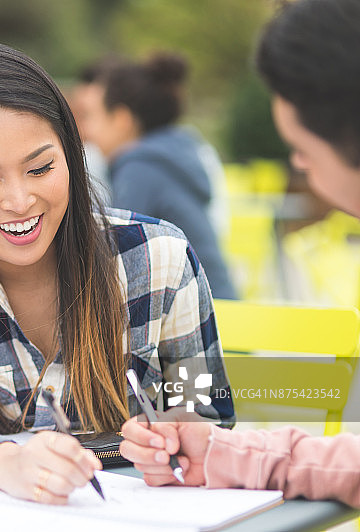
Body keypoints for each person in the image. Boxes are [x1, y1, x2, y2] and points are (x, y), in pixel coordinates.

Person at [0, 41, 234, 505]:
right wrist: (2, 462)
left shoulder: (158, 257)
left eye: (40, 168)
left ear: (72, 153)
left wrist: (178, 439)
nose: (20, 202)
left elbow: (205, 412)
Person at [120, 0, 360, 508]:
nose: (299, 163)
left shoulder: (136, 173)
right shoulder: (189, 149)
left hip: (207, 334)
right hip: (223, 318)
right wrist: (223, 453)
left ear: (122, 118)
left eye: (302, 148)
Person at [76, 53, 236, 300]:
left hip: (198, 310)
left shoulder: (140, 169)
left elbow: (115, 261)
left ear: (121, 120)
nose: (86, 130)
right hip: (222, 303)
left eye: (92, 116)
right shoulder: (174, 152)